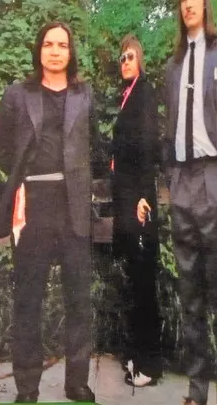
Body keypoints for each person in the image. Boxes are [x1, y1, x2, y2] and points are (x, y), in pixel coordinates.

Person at [0, 22, 97, 403]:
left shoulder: (85, 95)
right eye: (48, 44)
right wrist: (23, 178)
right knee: (28, 300)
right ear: (39, 50)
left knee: (79, 299)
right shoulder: (18, 94)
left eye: (61, 45)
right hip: (33, 205)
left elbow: (94, 148)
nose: (54, 51)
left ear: (70, 52)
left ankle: (77, 382)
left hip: (74, 207)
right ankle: (27, 387)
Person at [163, 0, 217, 405]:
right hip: (181, 180)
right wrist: (170, 177)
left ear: (205, 1)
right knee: (190, 293)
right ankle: (197, 391)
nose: (188, 4)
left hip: (214, 175)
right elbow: (169, 129)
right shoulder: (173, 66)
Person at [111, 34, 162, 387]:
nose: (125, 62)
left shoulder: (144, 93)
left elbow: (148, 145)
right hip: (126, 196)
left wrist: (143, 197)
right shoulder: (127, 95)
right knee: (134, 278)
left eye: (130, 56)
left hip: (139, 200)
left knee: (144, 282)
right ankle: (137, 355)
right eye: (122, 58)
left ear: (140, 60)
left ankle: (149, 366)